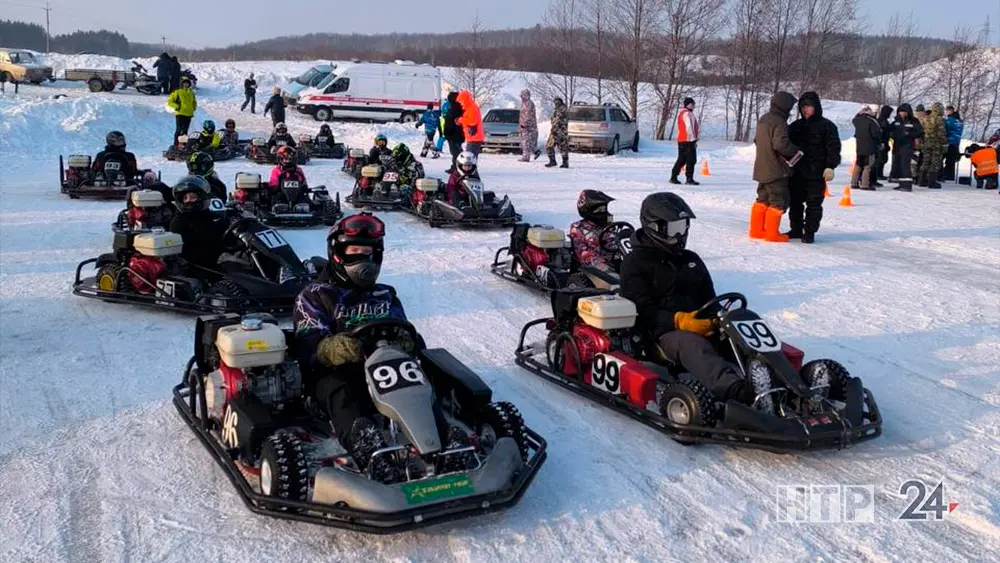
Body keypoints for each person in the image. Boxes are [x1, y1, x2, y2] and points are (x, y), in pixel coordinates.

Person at [292, 212, 410, 483]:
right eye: (354, 251)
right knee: (340, 390)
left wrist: (407, 341)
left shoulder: (385, 293)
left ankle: (446, 439)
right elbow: (307, 345)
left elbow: (407, 331)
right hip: (335, 374)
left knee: (424, 373)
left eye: (367, 252)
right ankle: (369, 449)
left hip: (387, 368)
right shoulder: (314, 294)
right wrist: (330, 347)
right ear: (337, 253)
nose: (362, 259)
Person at [620, 192, 752, 404]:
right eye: (674, 229)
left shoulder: (691, 259)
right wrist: (680, 321)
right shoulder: (635, 262)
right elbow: (640, 309)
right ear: (654, 227)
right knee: (694, 345)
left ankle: (779, 379)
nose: (681, 235)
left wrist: (716, 318)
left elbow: (709, 297)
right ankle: (735, 391)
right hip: (660, 333)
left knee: (740, 330)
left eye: (683, 227)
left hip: (697, 323)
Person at [787, 91, 841, 244]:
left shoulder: (827, 126)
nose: (806, 110)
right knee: (795, 202)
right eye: (803, 107)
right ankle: (796, 229)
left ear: (816, 107)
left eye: (809, 106)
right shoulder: (795, 126)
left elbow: (834, 147)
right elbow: (785, 145)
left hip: (817, 172)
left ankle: (809, 231)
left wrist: (831, 166)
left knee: (814, 204)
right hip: (797, 172)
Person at [749, 91, 801, 242]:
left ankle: (756, 230)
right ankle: (772, 233)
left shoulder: (764, 118)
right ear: (785, 106)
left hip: (762, 167)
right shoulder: (779, 122)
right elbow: (780, 145)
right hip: (776, 169)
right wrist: (796, 150)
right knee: (778, 199)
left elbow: (757, 140)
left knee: (762, 198)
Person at [168, 175, 232, 272]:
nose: (189, 201)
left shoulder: (210, 217)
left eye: (193, 197)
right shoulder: (179, 222)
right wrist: (220, 257)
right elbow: (187, 253)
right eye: (185, 198)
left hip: (218, 261)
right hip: (200, 269)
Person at [568, 190, 618, 271]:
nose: (604, 212)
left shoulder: (609, 226)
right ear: (588, 210)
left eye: (604, 209)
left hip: (614, 262)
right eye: (600, 210)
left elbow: (614, 245)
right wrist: (603, 265)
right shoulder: (578, 228)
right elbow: (583, 252)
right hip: (593, 268)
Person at [889, 104, 923, 192]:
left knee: (905, 165)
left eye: (904, 111)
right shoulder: (896, 121)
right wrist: (893, 135)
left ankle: (907, 185)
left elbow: (920, 131)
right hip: (897, 146)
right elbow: (890, 131)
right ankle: (901, 184)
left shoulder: (914, 121)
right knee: (899, 165)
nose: (902, 113)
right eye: (900, 111)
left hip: (907, 146)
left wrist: (909, 134)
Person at [670, 97, 700, 185]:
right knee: (691, 160)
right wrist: (694, 139)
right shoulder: (688, 114)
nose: (694, 106)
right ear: (689, 104)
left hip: (682, 140)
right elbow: (689, 127)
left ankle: (673, 177)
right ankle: (689, 179)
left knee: (682, 159)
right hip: (688, 140)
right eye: (693, 104)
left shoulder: (681, 113)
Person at [851, 106, 881, 192]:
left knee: (858, 165)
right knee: (867, 166)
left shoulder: (856, 120)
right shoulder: (871, 121)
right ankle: (865, 185)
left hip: (859, 146)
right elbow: (876, 134)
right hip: (870, 147)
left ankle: (854, 183)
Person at [918, 103, 946, 189]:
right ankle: (932, 182)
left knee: (925, 161)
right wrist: (944, 143)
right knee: (935, 163)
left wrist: (922, 142)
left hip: (926, 143)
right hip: (936, 144)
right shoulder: (939, 119)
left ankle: (921, 181)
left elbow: (921, 131)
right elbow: (941, 133)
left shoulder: (925, 118)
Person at [168, 78, 197, 145]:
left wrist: (193, 108)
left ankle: (183, 145)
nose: (186, 84)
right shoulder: (178, 92)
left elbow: (194, 102)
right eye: (184, 83)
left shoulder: (191, 93)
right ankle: (176, 144)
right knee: (179, 130)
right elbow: (170, 101)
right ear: (182, 84)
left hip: (189, 114)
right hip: (180, 113)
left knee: (185, 131)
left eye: (187, 83)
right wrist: (177, 106)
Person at [442, 91, 465, 172]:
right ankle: (456, 166)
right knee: (456, 151)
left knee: (455, 152)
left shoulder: (454, 109)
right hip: (458, 135)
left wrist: (446, 133)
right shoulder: (460, 108)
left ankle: (457, 168)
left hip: (453, 135)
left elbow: (449, 123)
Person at [456, 90, 484, 157]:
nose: (461, 103)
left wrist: (460, 120)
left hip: (474, 138)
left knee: (470, 159)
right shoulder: (470, 108)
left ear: (466, 100)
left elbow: (472, 121)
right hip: (472, 138)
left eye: (461, 101)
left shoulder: (472, 108)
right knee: (470, 159)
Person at [545, 97, 569, 169]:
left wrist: (555, 127)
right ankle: (554, 161)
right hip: (556, 131)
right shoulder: (557, 109)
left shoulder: (562, 109)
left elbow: (558, 120)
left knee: (562, 147)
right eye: (555, 102)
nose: (555, 104)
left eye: (557, 102)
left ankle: (564, 163)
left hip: (560, 131)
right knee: (550, 146)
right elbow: (553, 120)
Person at [518, 89, 540, 162]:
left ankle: (526, 157)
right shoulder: (524, 103)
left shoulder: (529, 103)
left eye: (522, 95)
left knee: (526, 142)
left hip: (528, 127)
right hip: (525, 126)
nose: (521, 97)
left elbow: (528, 115)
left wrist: (524, 124)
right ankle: (536, 151)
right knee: (528, 142)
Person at [943, 106, 964, 182]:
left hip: (949, 141)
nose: (946, 112)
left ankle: (944, 175)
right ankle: (950, 176)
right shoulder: (960, 121)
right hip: (956, 142)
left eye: (947, 110)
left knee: (946, 159)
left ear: (951, 111)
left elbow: (945, 130)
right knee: (951, 160)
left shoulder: (949, 120)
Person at [874, 105, 893, 185]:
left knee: (883, 159)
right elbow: (882, 133)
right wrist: (882, 143)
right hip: (882, 142)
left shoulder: (883, 120)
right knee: (881, 159)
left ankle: (880, 174)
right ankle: (878, 174)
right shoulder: (882, 121)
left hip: (884, 142)